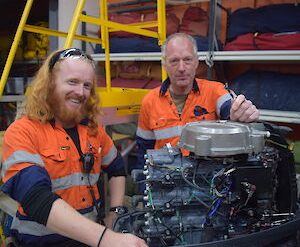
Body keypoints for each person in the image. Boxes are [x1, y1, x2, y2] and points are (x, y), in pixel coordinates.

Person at [1, 48, 148, 247]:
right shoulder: (22, 132)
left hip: (90, 240)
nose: (80, 92)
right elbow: (35, 197)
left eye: (87, 85)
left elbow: (116, 168)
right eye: (72, 82)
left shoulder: (94, 131)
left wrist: (116, 212)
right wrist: (106, 238)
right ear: (50, 83)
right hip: (42, 242)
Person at [136, 33, 259, 171]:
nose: (182, 68)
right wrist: (144, 186)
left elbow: (230, 108)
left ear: (196, 62)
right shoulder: (150, 101)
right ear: (164, 64)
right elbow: (144, 150)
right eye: (174, 61)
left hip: (205, 179)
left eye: (187, 59)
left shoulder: (214, 91)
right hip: (164, 180)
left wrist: (240, 113)